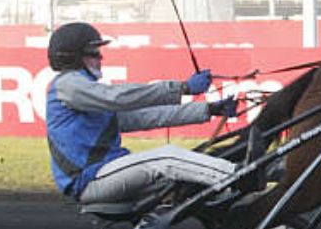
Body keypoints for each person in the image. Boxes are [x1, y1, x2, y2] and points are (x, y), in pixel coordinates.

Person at [45, 22, 242, 205]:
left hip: (105, 172)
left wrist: (209, 109)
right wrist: (182, 88)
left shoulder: (85, 96)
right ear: (74, 57)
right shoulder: (67, 84)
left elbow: (146, 117)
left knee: (189, 183)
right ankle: (238, 175)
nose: (100, 58)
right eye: (94, 52)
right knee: (167, 157)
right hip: (88, 179)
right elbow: (117, 97)